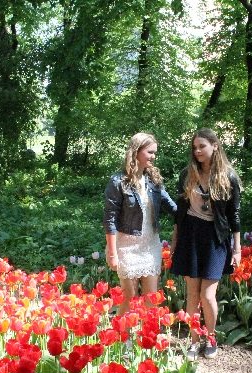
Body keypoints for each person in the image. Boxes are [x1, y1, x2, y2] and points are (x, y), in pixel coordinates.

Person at [171, 128, 242, 360]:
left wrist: (237, 249)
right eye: (195, 147)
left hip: (215, 238)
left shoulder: (228, 177)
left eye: (202, 146)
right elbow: (180, 211)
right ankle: (193, 341)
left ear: (215, 146)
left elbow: (234, 215)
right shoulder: (187, 174)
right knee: (192, 294)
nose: (197, 151)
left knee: (208, 294)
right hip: (190, 235)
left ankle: (211, 338)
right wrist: (175, 240)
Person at [103, 132, 177, 315]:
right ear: (136, 151)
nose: (154, 156)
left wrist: (197, 212)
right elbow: (110, 219)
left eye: (155, 153)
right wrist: (112, 253)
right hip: (125, 246)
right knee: (129, 298)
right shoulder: (118, 181)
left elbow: (172, 207)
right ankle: (123, 333)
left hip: (150, 245)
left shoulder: (153, 180)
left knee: (151, 298)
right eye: (150, 152)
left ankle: (148, 333)